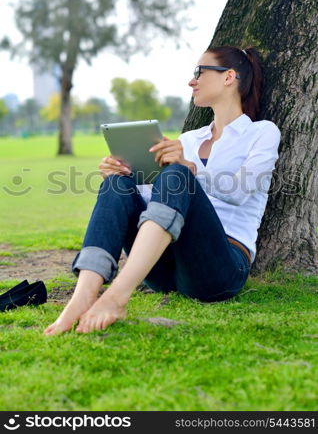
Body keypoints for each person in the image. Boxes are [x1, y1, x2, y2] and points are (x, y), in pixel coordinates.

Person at [44, 45, 281, 336]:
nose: (191, 81)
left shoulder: (262, 132)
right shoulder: (189, 139)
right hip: (167, 268)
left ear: (228, 77)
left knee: (178, 173)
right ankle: (82, 296)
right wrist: (125, 175)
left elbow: (242, 190)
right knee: (118, 184)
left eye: (199, 72)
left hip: (220, 267)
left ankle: (116, 297)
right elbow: (160, 202)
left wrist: (191, 168)